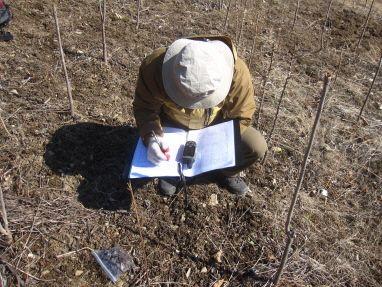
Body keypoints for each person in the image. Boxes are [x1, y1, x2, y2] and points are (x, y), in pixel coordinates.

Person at [133, 35, 267, 196]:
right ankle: (172, 171)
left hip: (215, 124)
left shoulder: (237, 71)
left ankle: (225, 172)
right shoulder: (154, 67)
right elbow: (145, 108)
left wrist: (216, 144)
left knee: (255, 145)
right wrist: (152, 138)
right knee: (160, 155)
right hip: (170, 123)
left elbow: (241, 115)